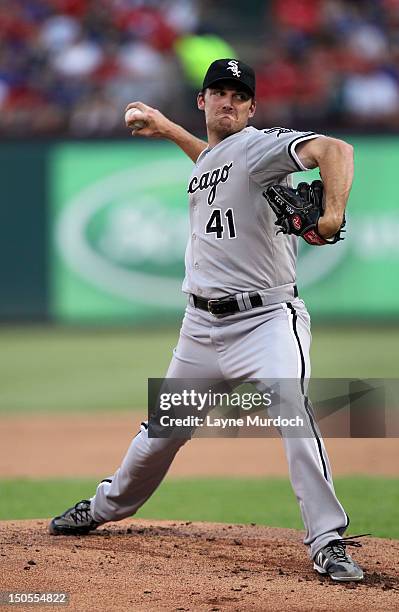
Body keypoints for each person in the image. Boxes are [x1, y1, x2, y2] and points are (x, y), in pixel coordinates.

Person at [49, 58, 364, 582]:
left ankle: (327, 538)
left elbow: (337, 150)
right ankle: (105, 508)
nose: (229, 101)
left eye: (240, 95)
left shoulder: (261, 146)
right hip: (200, 329)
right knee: (161, 432)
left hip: (265, 321)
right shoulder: (216, 160)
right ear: (203, 101)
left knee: (292, 411)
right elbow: (210, 162)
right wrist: (169, 128)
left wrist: (331, 212)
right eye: (219, 91)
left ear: (252, 107)